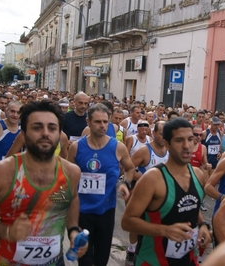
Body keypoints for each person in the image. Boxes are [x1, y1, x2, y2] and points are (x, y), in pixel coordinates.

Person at [0, 101, 86, 265]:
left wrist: (74, 231)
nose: (45, 133)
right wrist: (6, 231)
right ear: (24, 135)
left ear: (59, 134)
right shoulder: (2, 172)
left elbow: (72, 199)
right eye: (37, 127)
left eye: (52, 128)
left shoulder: (71, 172)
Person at [121, 118, 212, 266]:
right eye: (179, 140)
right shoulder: (153, 178)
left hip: (188, 259)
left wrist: (203, 226)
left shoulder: (198, 174)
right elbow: (127, 222)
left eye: (190, 139)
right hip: (154, 261)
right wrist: (164, 230)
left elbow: (192, 207)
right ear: (167, 144)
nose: (187, 146)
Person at [67, 103, 136, 266]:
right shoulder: (76, 148)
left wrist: (125, 183)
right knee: (84, 259)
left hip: (106, 210)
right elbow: (68, 175)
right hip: (82, 210)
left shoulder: (118, 147)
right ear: (88, 122)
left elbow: (130, 168)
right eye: (97, 122)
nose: (102, 125)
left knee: (101, 259)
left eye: (105, 122)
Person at [126, 121, 169, 265]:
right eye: (161, 133)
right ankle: (132, 251)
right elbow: (129, 168)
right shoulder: (145, 151)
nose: (164, 137)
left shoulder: (170, 151)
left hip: (161, 197)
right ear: (154, 133)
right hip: (142, 196)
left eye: (166, 134)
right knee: (138, 225)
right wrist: (147, 180)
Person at [0, 101, 22, 166]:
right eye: (12, 111)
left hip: (16, 170)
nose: (15, 115)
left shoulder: (23, 128)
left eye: (18, 112)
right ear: (6, 111)